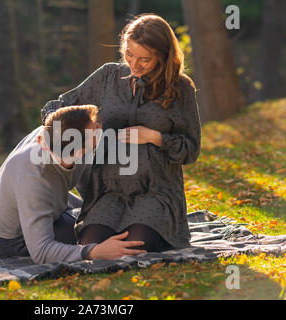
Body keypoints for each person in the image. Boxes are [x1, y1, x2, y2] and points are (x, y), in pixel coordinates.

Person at [41, 14, 202, 253]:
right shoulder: (108, 76)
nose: (134, 65)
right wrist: (72, 139)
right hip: (108, 192)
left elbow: (191, 150)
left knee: (132, 247)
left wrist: (154, 137)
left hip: (156, 192)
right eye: (129, 55)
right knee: (90, 248)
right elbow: (55, 108)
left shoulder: (181, 87)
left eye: (144, 59)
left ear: (163, 55)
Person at [0, 105, 147, 264]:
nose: (100, 128)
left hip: (46, 206)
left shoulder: (57, 131)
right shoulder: (34, 177)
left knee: (109, 219)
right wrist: (95, 251)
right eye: (95, 128)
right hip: (13, 237)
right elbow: (41, 251)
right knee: (103, 232)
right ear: (79, 152)